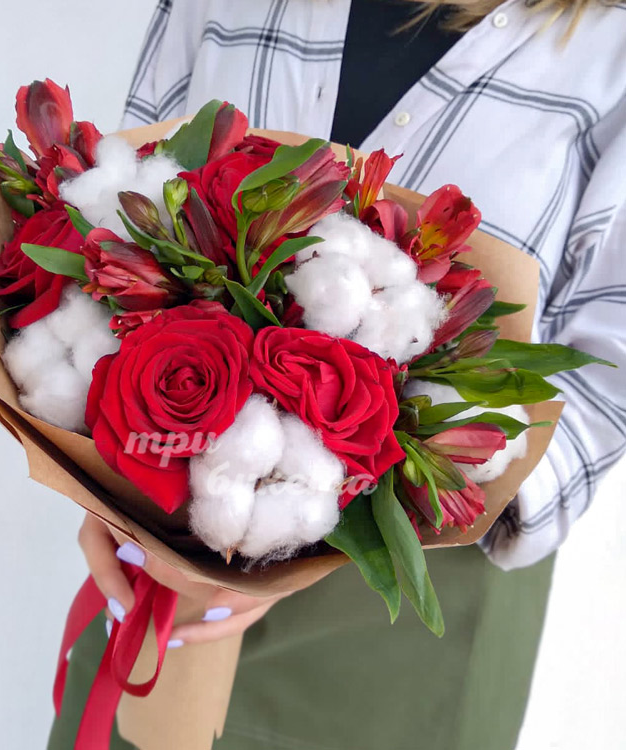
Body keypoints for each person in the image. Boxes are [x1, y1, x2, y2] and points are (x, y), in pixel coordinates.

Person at [48, 1, 626, 748]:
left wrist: (414, 481)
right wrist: (108, 484)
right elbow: (121, 209)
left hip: (402, 601)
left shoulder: (609, 48)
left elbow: (609, 368)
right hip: (164, 551)